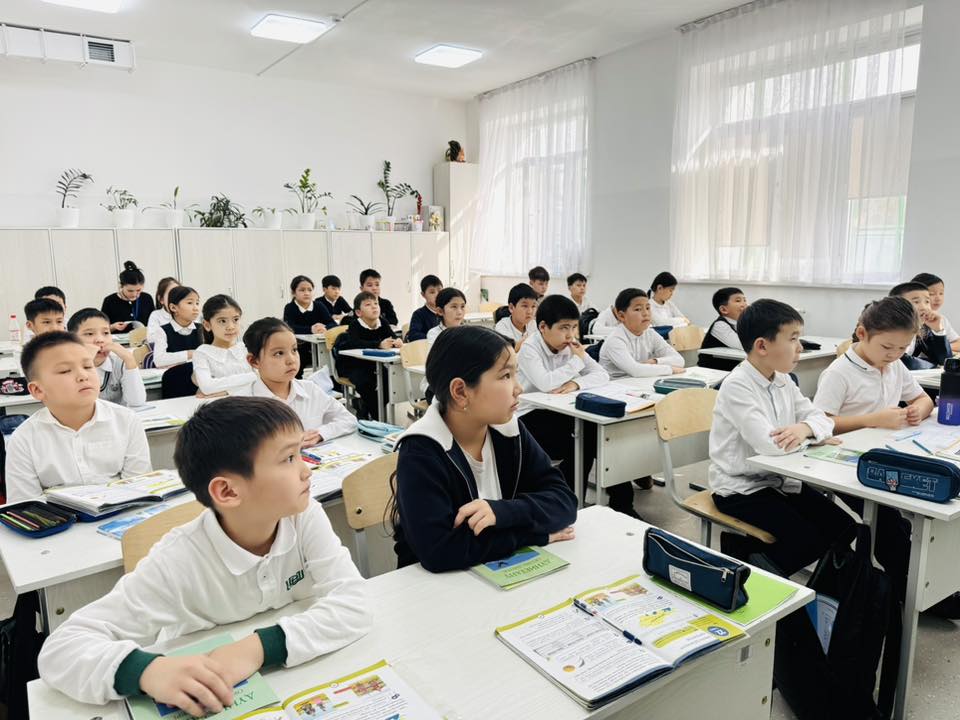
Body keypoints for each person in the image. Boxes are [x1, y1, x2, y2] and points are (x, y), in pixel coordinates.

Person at [37, 396, 371, 710]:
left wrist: (257, 649)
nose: (306, 469)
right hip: (213, 689)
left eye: (300, 453)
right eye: (288, 459)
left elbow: (355, 602)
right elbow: (62, 649)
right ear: (227, 491)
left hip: (296, 680)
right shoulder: (177, 559)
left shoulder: (303, 515)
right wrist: (147, 671)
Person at [813, 295, 960, 618]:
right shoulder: (839, 373)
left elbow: (922, 398)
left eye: (902, 348)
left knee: (922, 507)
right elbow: (820, 423)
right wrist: (872, 419)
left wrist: (918, 409)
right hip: (843, 463)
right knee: (889, 523)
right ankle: (911, 589)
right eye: (887, 347)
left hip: (887, 451)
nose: (894, 355)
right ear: (862, 333)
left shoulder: (894, 366)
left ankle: (925, 580)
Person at [391, 325, 577, 571]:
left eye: (515, 374)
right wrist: (532, 535)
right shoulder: (421, 450)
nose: (518, 388)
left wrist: (503, 512)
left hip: (494, 573)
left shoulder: (509, 429)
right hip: (433, 586)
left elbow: (564, 502)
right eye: (505, 376)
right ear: (460, 391)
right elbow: (440, 551)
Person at [708, 299, 854, 576]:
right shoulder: (737, 386)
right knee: (808, 540)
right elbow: (770, 446)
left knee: (843, 527)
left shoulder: (782, 379)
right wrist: (811, 435)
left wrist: (805, 429)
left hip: (779, 480)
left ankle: (820, 589)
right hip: (740, 489)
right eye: (793, 339)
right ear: (762, 346)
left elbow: (824, 420)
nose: (800, 348)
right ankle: (745, 565)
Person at [515, 296, 642, 516]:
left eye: (574, 327)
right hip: (528, 416)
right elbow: (546, 383)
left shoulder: (569, 346)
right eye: (564, 328)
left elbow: (601, 374)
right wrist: (578, 360)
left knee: (599, 434)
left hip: (560, 411)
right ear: (543, 327)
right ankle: (570, 502)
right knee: (583, 442)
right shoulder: (530, 349)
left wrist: (576, 383)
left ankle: (618, 503)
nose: (571, 335)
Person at [4, 332, 151, 503]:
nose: (83, 376)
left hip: (123, 514)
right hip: (58, 519)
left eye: (88, 366)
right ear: (37, 390)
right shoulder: (24, 439)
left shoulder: (127, 421)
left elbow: (139, 489)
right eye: (65, 370)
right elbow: (25, 506)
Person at [240, 318, 357, 446]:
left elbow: (349, 420)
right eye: (279, 353)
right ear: (254, 361)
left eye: (294, 350)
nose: (291, 360)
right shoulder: (245, 404)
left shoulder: (310, 390)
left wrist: (320, 434)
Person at [333, 292, 402, 420]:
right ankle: (376, 417)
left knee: (390, 382)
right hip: (353, 365)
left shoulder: (382, 322)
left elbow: (392, 337)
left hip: (375, 364)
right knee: (366, 383)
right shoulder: (355, 324)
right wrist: (378, 344)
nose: (374, 307)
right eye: (368, 305)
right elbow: (354, 343)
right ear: (359, 312)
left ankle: (365, 407)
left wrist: (397, 341)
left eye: (376, 303)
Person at [68, 308, 146, 408]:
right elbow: (80, 406)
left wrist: (129, 359)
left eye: (105, 333)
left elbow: (137, 402)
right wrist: (87, 364)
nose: (100, 340)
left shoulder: (119, 362)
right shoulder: (65, 368)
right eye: (90, 334)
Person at [599, 288, 685, 378]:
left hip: (641, 382)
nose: (646, 313)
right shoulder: (615, 340)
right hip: (616, 384)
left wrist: (655, 361)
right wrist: (670, 369)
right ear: (621, 316)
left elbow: (679, 360)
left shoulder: (650, 333)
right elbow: (636, 371)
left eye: (648, 308)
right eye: (638, 309)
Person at [192, 295, 257, 397]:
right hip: (220, 404)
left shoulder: (246, 348)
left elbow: (263, 382)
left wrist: (227, 392)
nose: (231, 327)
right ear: (207, 325)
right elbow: (207, 387)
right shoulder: (202, 353)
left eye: (235, 319)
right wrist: (252, 377)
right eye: (222, 321)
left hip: (253, 401)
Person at [888, 281, 951, 367]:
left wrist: (938, 329)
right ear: (897, 306)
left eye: (927, 302)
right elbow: (902, 361)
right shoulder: (889, 328)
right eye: (916, 302)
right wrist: (933, 365)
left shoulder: (922, 328)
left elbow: (945, 360)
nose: (924, 307)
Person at [152, 286, 202, 369]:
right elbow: (159, 360)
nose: (196, 308)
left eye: (197, 303)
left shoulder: (202, 329)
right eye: (190, 303)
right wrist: (190, 354)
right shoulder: (162, 331)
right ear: (173, 307)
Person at [100, 261, 155, 333]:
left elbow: (154, 322)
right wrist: (113, 327)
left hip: (144, 338)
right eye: (130, 291)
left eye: (138, 290)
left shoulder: (147, 298)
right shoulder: (109, 301)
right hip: (118, 339)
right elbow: (101, 329)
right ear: (121, 286)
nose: (134, 294)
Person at [912, 272, 960, 353]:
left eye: (941, 293)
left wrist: (942, 347)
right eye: (931, 294)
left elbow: (958, 343)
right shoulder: (908, 320)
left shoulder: (942, 319)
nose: (938, 298)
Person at [494, 283, 538, 350]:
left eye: (533, 306)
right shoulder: (502, 326)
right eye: (525, 306)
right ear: (511, 308)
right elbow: (508, 351)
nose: (530, 311)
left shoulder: (533, 324)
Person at [407, 275, 443, 341]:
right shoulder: (419, 314)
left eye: (440, 291)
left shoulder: (447, 311)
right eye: (432, 292)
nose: (437, 295)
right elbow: (413, 335)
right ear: (423, 295)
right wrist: (435, 337)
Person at [146, 277, 179, 344]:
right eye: (171, 294)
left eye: (179, 294)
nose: (176, 297)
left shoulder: (187, 312)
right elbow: (151, 340)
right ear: (161, 299)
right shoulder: (156, 315)